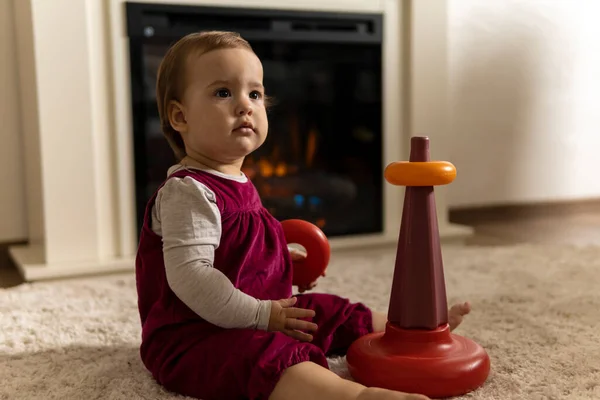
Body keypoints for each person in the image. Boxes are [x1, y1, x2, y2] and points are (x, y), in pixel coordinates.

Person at [135, 30, 471, 400]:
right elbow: (192, 277)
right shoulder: (188, 192)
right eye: (222, 92)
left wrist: (277, 263)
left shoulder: (237, 179)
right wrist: (265, 316)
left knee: (329, 310)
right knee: (266, 358)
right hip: (195, 336)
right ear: (180, 116)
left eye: (255, 94)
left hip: (259, 312)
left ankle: (412, 333)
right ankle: (353, 396)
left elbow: (235, 251)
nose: (245, 105)